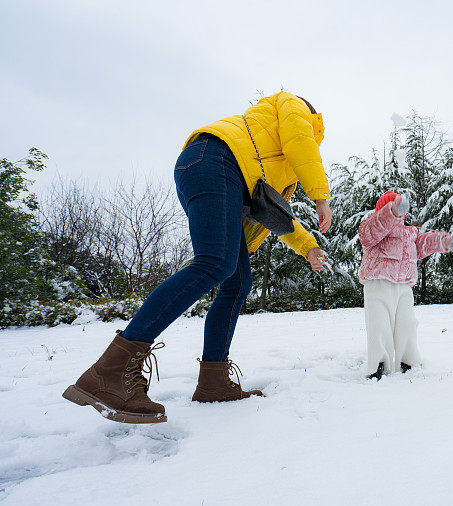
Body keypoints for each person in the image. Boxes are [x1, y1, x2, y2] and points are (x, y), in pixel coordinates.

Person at [63, 92, 332, 423]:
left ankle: (213, 380)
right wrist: (320, 196)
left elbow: (270, 211)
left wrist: (307, 246)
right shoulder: (293, 109)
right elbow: (300, 137)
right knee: (215, 262)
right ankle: (110, 372)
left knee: (237, 280)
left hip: (212, 167)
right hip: (216, 161)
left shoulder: (268, 155)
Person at [357, 191, 453, 380]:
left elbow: (425, 242)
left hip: (404, 287)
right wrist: (391, 211)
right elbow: (374, 229)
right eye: (391, 208)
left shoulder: (410, 233)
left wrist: (447, 241)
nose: (397, 214)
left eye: (399, 210)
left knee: (407, 324)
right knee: (379, 326)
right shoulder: (371, 229)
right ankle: (378, 365)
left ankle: (408, 361)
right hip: (378, 284)